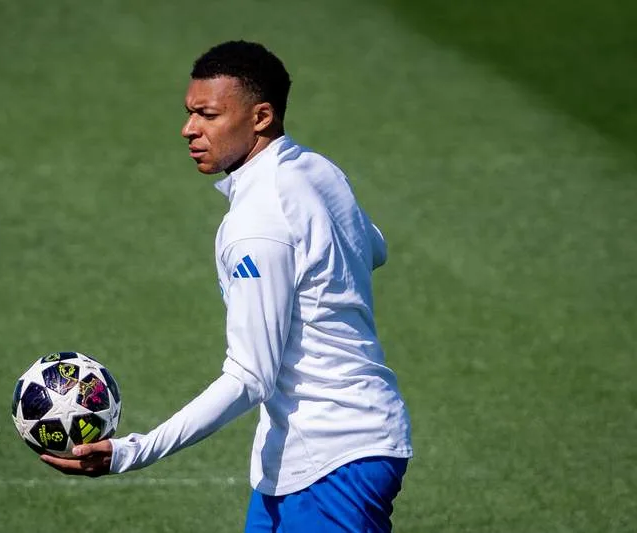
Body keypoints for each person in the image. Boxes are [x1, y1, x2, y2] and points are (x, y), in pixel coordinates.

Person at [42, 40, 413, 532]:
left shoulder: (257, 223)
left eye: (208, 115)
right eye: (189, 113)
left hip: (335, 455)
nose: (188, 130)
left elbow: (249, 378)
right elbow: (376, 247)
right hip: (299, 457)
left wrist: (134, 451)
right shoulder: (316, 170)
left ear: (260, 117)